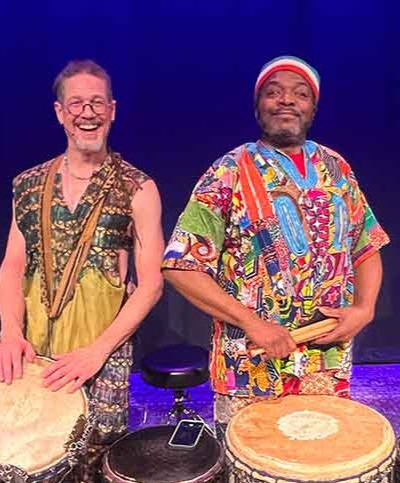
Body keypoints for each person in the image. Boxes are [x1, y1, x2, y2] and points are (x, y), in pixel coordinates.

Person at [0, 59, 164, 483]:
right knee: (45, 447)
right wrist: (9, 332)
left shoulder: (138, 187)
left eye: (97, 103)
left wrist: (97, 351)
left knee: (96, 460)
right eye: (77, 104)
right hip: (39, 347)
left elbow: (151, 284)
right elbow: (13, 265)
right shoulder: (27, 185)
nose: (88, 113)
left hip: (100, 350)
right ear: (60, 113)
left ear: (113, 111)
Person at [162, 55, 388, 437]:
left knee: (319, 460)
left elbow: (367, 245)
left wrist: (364, 309)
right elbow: (180, 265)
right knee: (252, 466)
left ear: (313, 108)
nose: (287, 100)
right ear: (257, 107)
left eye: (300, 94)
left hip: (326, 364)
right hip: (250, 369)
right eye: (274, 92)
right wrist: (252, 323)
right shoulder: (229, 170)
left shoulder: (336, 168)